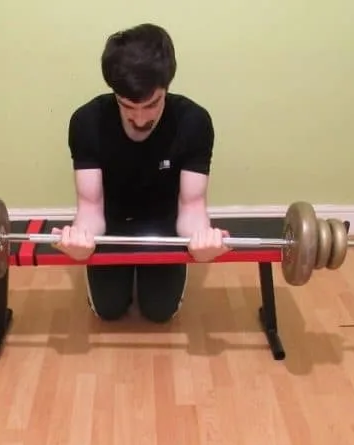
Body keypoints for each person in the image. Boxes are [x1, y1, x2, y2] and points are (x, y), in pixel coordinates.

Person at [54, 23, 230, 323]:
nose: (139, 117)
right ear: (114, 93)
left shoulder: (194, 122)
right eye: (127, 106)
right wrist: (82, 243)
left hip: (165, 225)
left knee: (160, 312)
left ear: (167, 87)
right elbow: (90, 206)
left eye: (151, 104)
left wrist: (200, 243)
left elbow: (192, 206)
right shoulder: (87, 121)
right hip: (110, 224)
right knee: (107, 311)